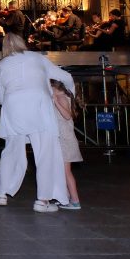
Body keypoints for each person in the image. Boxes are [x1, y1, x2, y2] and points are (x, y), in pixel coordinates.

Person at [0, 32, 73, 213]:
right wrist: (71, 93)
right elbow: (64, 76)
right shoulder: (37, 57)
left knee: (11, 151)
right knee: (45, 152)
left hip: (13, 106)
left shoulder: (3, 64)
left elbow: (0, 96)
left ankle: (1, 194)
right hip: (38, 104)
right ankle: (42, 200)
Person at [51, 79, 83, 210]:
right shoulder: (60, 97)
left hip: (65, 140)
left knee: (66, 172)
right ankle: (68, 198)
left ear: (54, 87)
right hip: (62, 139)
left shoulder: (61, 98)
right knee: (62, 171)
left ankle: (75, 201)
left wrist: (56, 102)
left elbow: (67, 116)